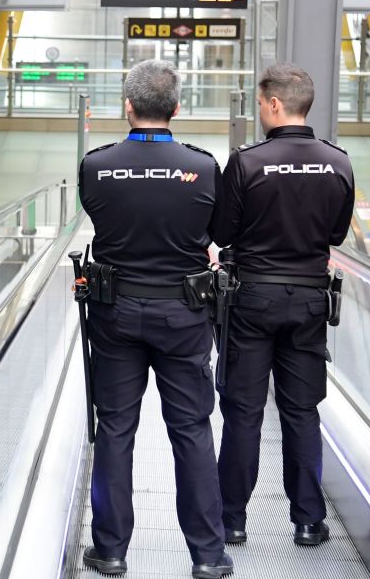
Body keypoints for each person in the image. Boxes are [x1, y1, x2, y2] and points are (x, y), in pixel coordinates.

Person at [78, 60, 233, 579]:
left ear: (128, 106)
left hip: (115, 313)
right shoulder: (204, 167)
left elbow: (99, 218)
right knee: (191, 429)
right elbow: (218, 234)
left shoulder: (97, 165)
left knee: (117, 428)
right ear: (177, 108)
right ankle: (209, 555)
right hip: (185, 315)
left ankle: (112, 550)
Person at [213, 64, 355, 547]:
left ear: (274, 104)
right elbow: (335, 235)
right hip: (311, 300)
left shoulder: (247, 162)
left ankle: (231, 519)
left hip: (251, 299)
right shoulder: (338, 162)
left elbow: (222, 233)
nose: (259, 110)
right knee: (302, 411)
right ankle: (309, 521)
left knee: (243, 412)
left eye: (259, 102)